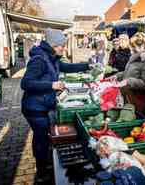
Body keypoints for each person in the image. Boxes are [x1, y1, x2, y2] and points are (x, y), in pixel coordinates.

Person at [20, 29, 90, 182]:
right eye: (61, 46)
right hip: (34, 108)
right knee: (41, 138)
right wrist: (51, 85)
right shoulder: (39, 59)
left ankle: (45, 163)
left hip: (44, 104)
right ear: (52, 45)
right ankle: (41, 171)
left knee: (45, 136)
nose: (63, 49)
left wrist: (87, 65)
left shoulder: (52, 57)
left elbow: (66, 67)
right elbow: (25, 83)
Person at [108, 32, 145, 114]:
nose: (131, 50)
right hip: (128, 96)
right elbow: (128, 72)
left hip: (137, 99)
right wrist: (117, 76)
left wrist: (128, 81)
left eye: (133, 48)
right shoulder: (134, 57)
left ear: (141, 47)